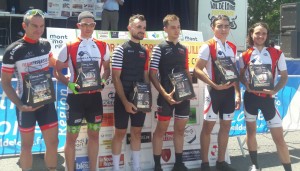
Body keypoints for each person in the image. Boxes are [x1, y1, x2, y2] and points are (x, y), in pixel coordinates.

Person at [1, 9, 58, 171]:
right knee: (27, 147)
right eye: (34, 26)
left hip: (46, 102)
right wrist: (20, 105)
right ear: (24, 26)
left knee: (53, 143)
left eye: (42, 26)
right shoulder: (13, 50)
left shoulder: (46, 44)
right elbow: (5, 83)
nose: (39, 30)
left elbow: (53, 62)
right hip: (26, 106)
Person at [55, 11, 110, 171]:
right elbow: (57, 71)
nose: (88, 27)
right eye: (84, 24)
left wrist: (104, 80)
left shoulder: (102, 45)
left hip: (95, 98)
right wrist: (69, 84)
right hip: (76, 98)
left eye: (91, 24)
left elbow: (107, 68)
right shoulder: (69, 45)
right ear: (78, 25)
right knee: (71, 138)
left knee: (94, 135)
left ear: (94, 26)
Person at [239, 22, 292, 171]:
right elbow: (241, 76)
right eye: (257, 33)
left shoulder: (277, 53)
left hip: (268, 100)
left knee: (279, 138)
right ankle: (255, 165)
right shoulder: (245, 54)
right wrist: (246, 84)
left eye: (263, 33)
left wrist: (274, 90)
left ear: (267, 35)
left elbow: (284, 77)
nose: (260, 36)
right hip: (251, 98)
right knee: (251, 133)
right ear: (251, 34)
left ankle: (288, 169)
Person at [193, 15, 241, 171]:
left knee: (226, 127)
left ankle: (221, 162)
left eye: (227, 26)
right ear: (213, 28)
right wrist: (214, 85)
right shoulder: (207, 46)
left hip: (228, 94)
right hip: (214, 92)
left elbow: (234, 73)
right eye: (220, 26)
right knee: (208, 128)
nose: (224, 29)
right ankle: (205, 163)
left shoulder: (232, 47)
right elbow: (197, 69)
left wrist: (238, 93)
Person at [150, 14, 193, 171]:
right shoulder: (159, 48)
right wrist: (164, 94)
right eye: (173, 27)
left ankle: (179, 163)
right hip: (165, 97)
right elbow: (152, 74)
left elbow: (187, 72)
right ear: (165, 29)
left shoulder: (183, 49)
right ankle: (157, 166)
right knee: (161, 130)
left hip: (183, 95)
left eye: (178, 27)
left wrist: (191, 91)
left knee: (180, 129)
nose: (176, 30)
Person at [111, 14, 149, 171]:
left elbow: (146, 76)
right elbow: (115, 78)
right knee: (119, 133)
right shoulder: (121, 49)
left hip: (140, 99)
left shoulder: (145, 51)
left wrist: (147, 99)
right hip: (123, 99)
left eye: (144, 28)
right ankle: (115, 168)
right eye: (138, 27)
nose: (141, 30)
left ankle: (137, 168)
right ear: (129, 28)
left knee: (137, 132)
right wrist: (126, 102)